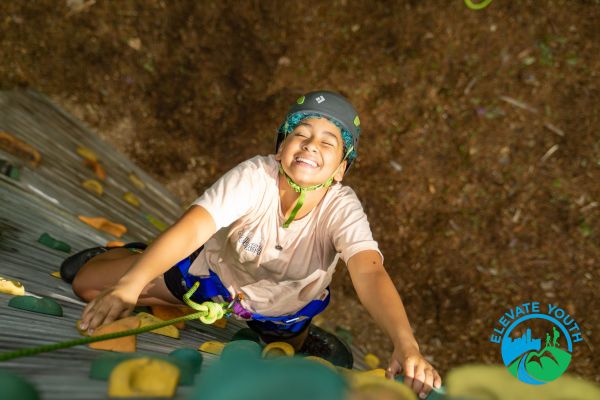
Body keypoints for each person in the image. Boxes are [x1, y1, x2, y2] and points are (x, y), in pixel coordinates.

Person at [62, 90, 442, 398]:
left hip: (280, 312)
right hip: (209, 281)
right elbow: (194, 228)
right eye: (301, 134)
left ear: (341, 169)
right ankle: (140, 261)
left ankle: (298, 334)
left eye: (329, 142)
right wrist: (129, 285)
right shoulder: (255, 176)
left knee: (289, 361)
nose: (311, 146)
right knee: (87, 285)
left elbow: (368, 271)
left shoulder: (340, 207)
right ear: (281, 148)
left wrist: (406, 344)